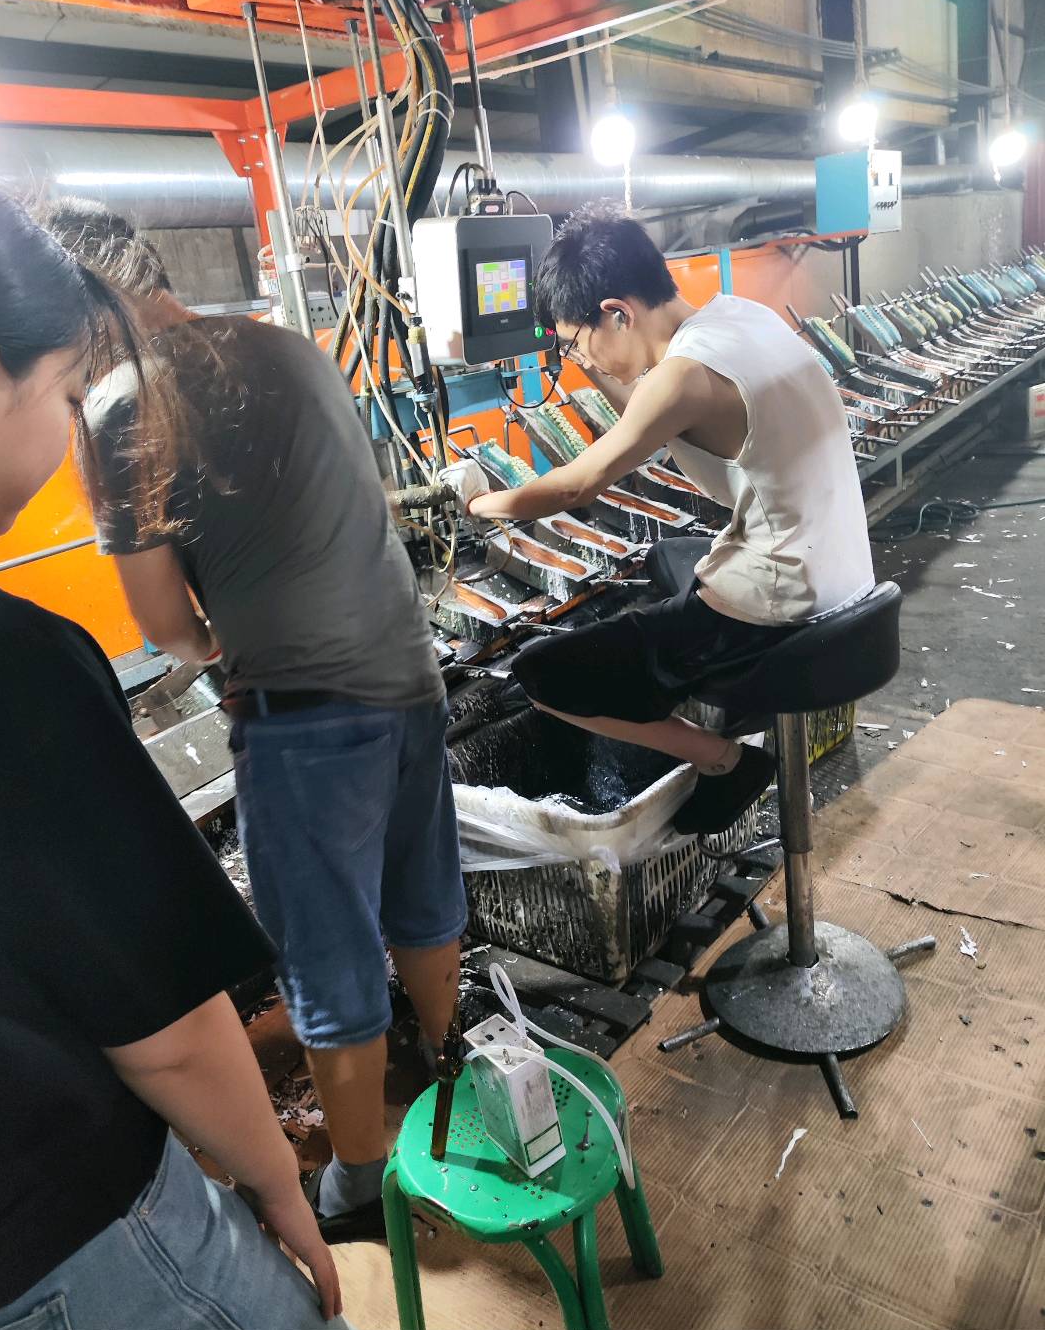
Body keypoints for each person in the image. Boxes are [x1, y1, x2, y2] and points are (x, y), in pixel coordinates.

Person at [42, 198, 467, 1245]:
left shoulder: (123, 404)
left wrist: (219, 642)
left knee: (327, 959)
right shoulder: (293, 348)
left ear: (84, 316)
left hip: (306, 721)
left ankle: (360, 1184)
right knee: (420, 899)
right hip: (411, 677)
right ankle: (451, 1067)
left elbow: (161, 625)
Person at [0, 175, 345, 1330]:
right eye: (64, 394)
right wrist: (276, 1183)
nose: (69, 431)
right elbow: (169, 1029)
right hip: (53, 1227)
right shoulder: (6, 662)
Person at [467, 208, 875, 835]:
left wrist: (476, 503)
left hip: (785, 599)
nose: (577, 356)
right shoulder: (742, 318)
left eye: (575, 342)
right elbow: (653, 414)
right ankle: (713, 713)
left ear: (616, 313)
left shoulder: (682, 377)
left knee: (544, 674)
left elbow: (576, 485)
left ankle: (726, 761)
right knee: (670, 561)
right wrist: (596, 366)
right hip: (846, 573)